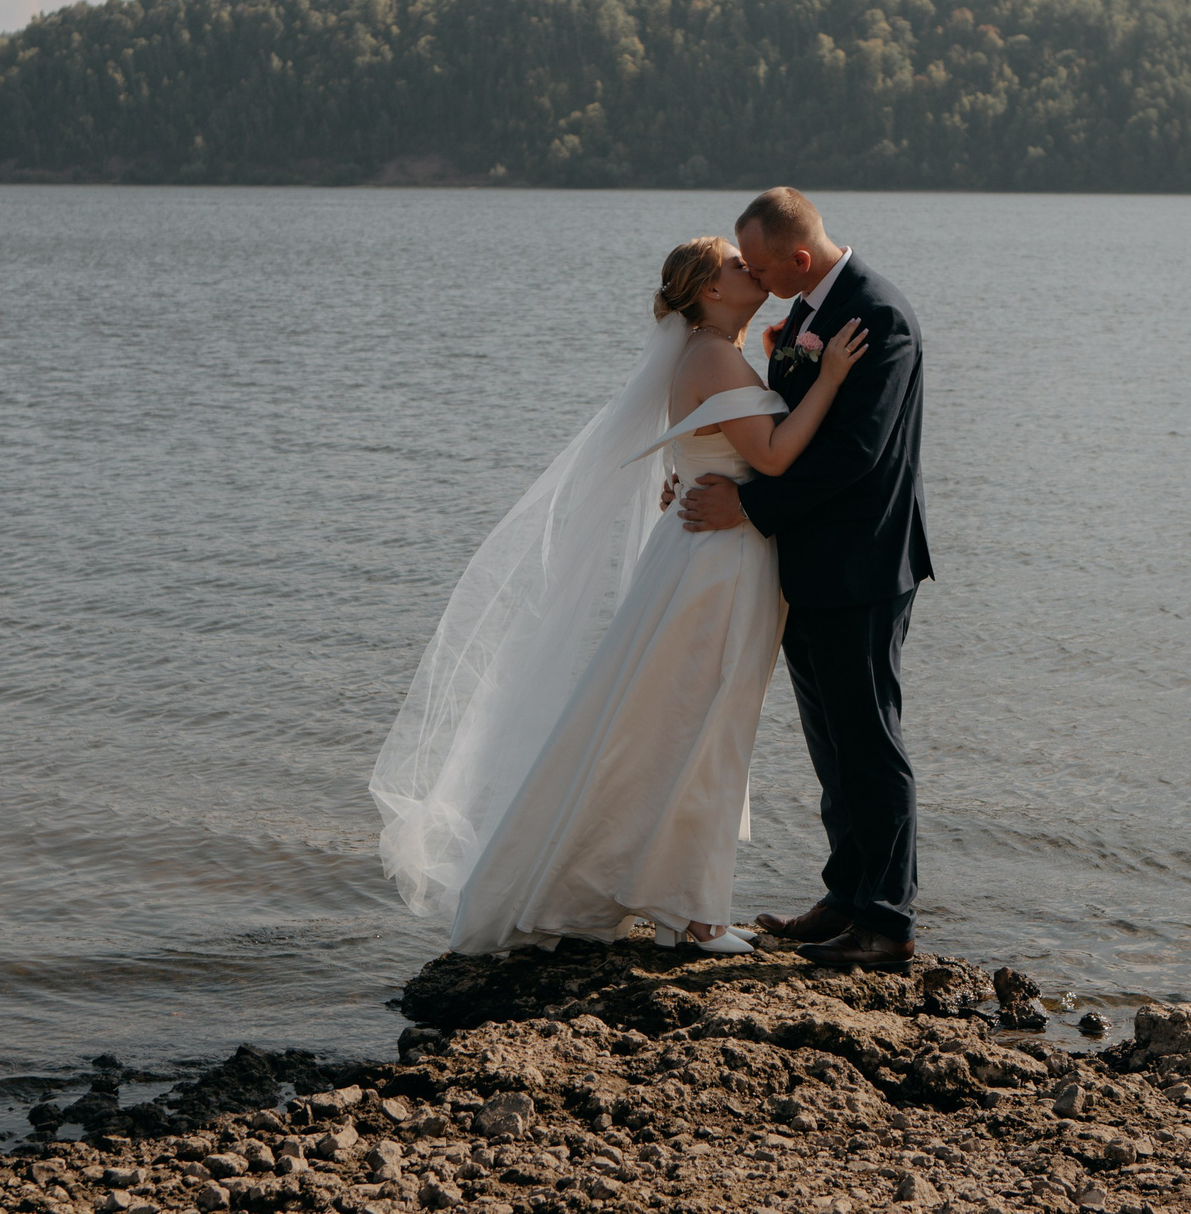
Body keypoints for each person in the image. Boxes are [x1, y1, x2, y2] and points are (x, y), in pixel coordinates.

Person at [371, 234, 866, 954]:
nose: (749, 269)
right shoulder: (715, 354)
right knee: (704, 727)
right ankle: (693, 915)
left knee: (671, 725)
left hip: (711, 555)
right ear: (707, 290)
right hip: (719, 565)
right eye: (735, 264)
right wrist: (831, 378)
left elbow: (705, 448)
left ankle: (661, 892)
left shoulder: (705, 352)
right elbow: (771, 455)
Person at [677, 187, 934, 971]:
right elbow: (775, 418)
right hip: (807, 563)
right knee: (831, 743)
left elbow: (852, 451)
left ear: (796, 256)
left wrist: (747, 507)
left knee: (870, 741)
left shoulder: (876, 313)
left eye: (756, 262)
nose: (750, 272)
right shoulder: (802, 317)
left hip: (862, 564)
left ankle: (887, 919)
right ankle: (845, 894)